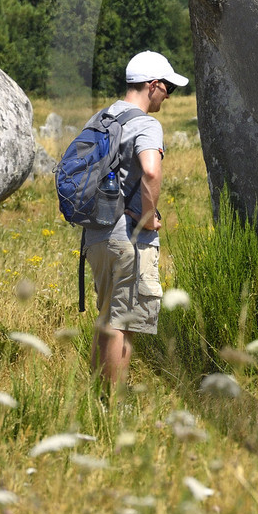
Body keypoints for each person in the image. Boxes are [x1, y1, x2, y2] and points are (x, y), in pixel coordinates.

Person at [82, 50, 187, 388]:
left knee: (106, 321)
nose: (168, 96)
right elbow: (151, 170)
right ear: (152, 85)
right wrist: (145, 217)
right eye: (167, 88)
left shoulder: (100, 119)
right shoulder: (145, 124)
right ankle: (111, 407)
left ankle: (96, 401)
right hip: (128, 239)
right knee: (122, 324)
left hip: (95, 237)